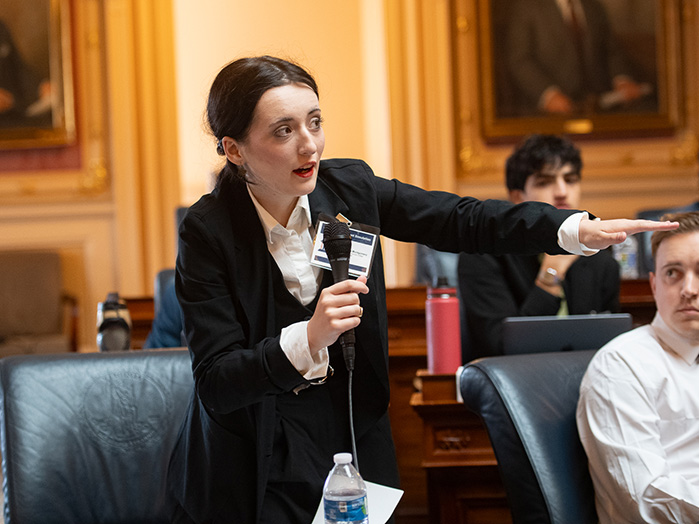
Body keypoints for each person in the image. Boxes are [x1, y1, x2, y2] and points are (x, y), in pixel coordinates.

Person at [165, 55, 676, 524]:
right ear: (234, 149)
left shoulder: (352, 189)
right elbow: (217, 379)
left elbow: (460, 220)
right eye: (284, 130)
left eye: (315, 121)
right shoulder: (207, 231)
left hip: (350, 435)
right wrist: (310, 336)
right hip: (255, 456)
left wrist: (567, 230)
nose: (310, 144)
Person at [577, 211, 699, 523]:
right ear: (654, 285)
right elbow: (647, 502)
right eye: (673, 273)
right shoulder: (620, 366)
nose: (689, 289)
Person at [457, 134, 620, 360]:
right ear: (517, 197)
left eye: (570, 179)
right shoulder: (483, 254)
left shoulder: (598, 253)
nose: (562, 191)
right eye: (545, 182)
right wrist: (551, 274)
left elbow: (609, 344)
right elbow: (501, 346)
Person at [503, 0, 646, 116]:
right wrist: (548, 94)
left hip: (601, 107)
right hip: (549, 114)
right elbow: (520, 60)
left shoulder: (593, 7)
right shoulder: (527, 7)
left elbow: (611, 50)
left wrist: (622, 79)